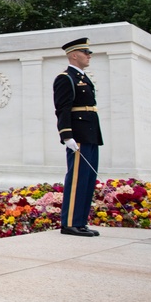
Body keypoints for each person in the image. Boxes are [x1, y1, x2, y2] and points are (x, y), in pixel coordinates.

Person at [53, 37, 103, 237]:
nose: (89, 56)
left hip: (90, 133)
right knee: (77, 179)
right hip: (78, 135)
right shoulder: (65, 78)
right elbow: (62, 109)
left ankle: (81, 221)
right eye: (85, 52)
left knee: (88, 179)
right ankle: (70, 222)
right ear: (74, 55)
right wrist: (67, 136)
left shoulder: (84, 78)